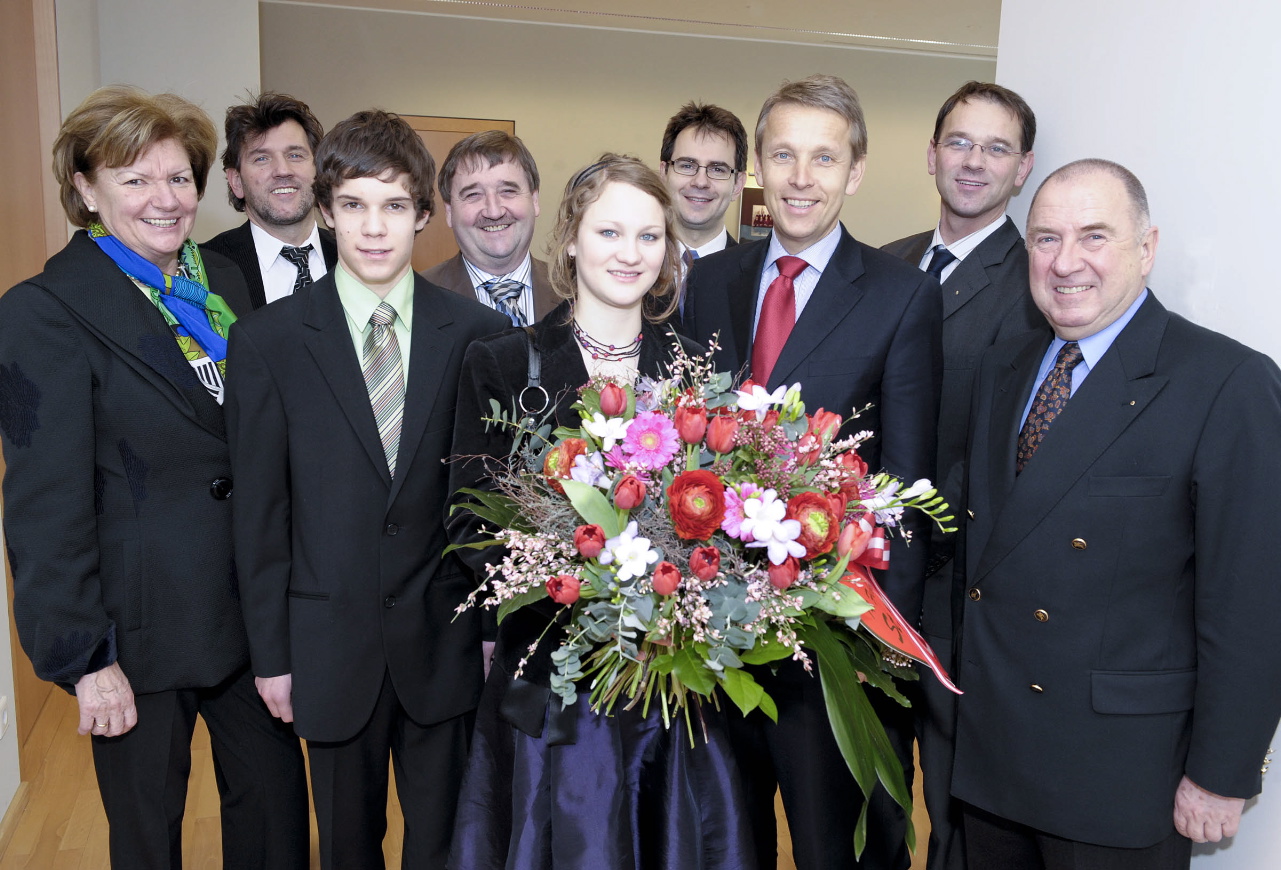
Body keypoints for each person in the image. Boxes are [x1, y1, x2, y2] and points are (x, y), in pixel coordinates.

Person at [0, 84, 309, 869]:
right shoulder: (44, 312)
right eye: (135, 180)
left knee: (275, 825)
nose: (164, 200)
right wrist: (84, 659)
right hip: (136, 637)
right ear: (85, 189)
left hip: (247, 618)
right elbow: (45, 506)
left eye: (178, 177)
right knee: (149, 842)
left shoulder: (220, 288)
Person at [953, 159, 1281, 869]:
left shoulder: (1223, 382)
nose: (1065, 262)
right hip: (991, 754)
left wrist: (1222, 773)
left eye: (1092, 237)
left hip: (1117, 774)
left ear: (1146, 248)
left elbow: (1251, 602)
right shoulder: (1002, 369)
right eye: (1044, 240)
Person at [446, 154, 755, 870]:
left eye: (649, 237)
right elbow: (467, 524)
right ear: (572, 239)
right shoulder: (502, 364)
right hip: (554, 683)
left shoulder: (698, 371)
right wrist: (584, 593)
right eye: (610, 232)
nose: (630, 253)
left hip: (669, 685)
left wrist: (679, 598)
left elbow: (729, 512)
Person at [225, 109, 507, 869]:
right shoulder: (269, 341)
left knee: (444, 843)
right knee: (346, 845)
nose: (373, 228)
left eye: (392, 205)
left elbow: (488, 503)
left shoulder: (476, 335)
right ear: (325, 211)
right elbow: (259, 517)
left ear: (423, 213)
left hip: (442, 644)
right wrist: (272, 656)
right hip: (326, 648)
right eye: (353, 205)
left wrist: (489, 633)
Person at [682, 74, 942, 870]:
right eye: (784, 155)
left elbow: (904, 488)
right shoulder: (711, 283)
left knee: (840, 849)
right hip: (716, 639)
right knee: (726, 846)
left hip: (831, 648)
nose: (801, 178)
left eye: (823, 159)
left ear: (854, 172)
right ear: (758, 163)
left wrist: (876, 654)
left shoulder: (902, 296)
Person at [880, 80, 1046, 870]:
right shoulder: (880, 266)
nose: (972, 162)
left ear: (1022, 169)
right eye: (958, 142)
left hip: (962, 602)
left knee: (955, 818)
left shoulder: (1041, 290)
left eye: (995, 147)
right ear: (930, 154)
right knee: (866, 799)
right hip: (865, 587)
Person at [203, 92, 338, 309]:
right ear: (236, 181)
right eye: (262, 158)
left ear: (319, 170)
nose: (283, 170)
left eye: (295, 155)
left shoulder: (357, 256)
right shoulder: (201, 271)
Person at [421, 130, 556, 324]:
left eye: (508, 191)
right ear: (449, 211)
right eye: (473, 194)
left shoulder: (578, 292)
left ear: (534, 201)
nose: (494, 212)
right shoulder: (418, 301)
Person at [658, 102, 748, 296]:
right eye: (687, 165)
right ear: (664, 173)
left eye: (717, 169)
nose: (700, 182)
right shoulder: (631, 265)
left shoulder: (755, 280)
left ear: (738, 184)